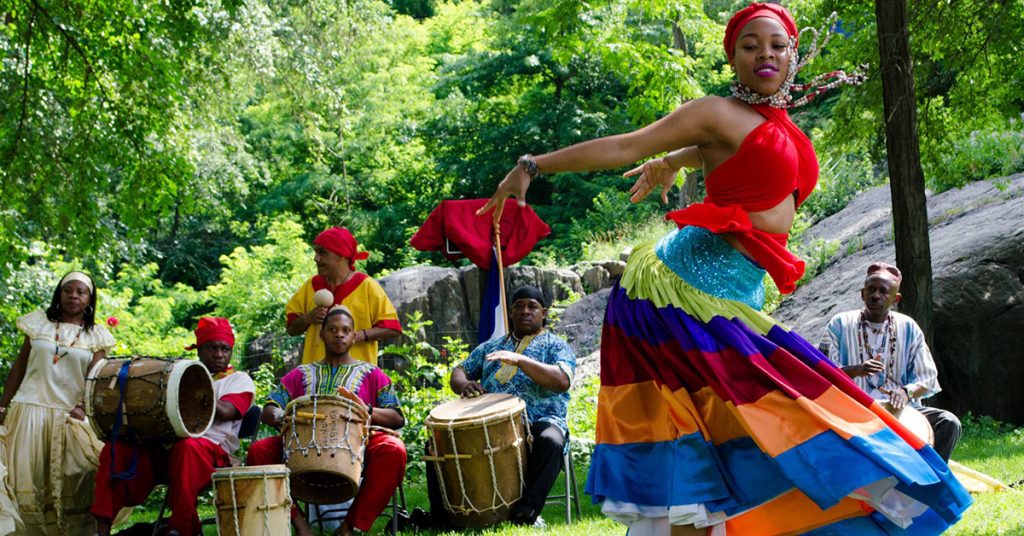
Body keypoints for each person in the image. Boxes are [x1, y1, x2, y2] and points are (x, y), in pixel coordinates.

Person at [477, 3, 971, 534]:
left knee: (739, 428)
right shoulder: (715, 111)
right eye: (751, 45)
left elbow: (726, 155)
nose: (766, 54)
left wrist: (677, 161)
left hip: (735, 295)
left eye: (777, 45)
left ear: (793, 52)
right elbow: (627, 145)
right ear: (732, 56)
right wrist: (533, 165)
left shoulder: (772, 123)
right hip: (677, 292)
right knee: (731, 423)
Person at [416, 285, 576, 528]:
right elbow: (458, 371)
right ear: (510, 312)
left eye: (532, 307)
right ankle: (443, 519)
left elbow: (562, 380)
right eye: (519, 306)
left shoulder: (556, 346)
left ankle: (526, 512)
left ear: (543, 313)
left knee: (552, 440)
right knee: (436, 444)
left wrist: (521, 361)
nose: (525, 311)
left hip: (539, 420)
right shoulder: (491, 347)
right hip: (488, 426)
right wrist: (465, 384)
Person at [247, 305, 406, 536]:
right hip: (301, 443)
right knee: (258, 452)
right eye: (332, 329)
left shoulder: (373, 374)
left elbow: (397, 417)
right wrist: (282, 416)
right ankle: (300, 524)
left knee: (394, 450)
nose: (339, 334)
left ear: (354, 336)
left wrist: (367, 409)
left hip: (359, 445)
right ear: (321, 335)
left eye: (345, 330)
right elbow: (270, 408)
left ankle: (350, 527)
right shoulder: (300, 373)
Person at [91, 317, 256, 536]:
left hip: (210, 454)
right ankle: (101, 529)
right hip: (165, 450)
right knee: (118, 449)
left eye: (225, 349)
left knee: (187, 447)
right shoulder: (179, 373)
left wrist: (191, 390)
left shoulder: (239, 380)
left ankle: (181, 529)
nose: (219, 354)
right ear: (199, 350)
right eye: (211, 348)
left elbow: (227, 411)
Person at [0, 271, 115, 535]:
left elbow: (93, 380)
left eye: (80, 292)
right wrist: (3, 406)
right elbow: (19, 368)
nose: (73, 296)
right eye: (68, 290)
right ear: (59, 294)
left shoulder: (96, 336)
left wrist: (83, 409)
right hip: (28, 411)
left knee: (72, 480)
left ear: (89, 299)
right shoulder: (38, 324)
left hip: (67, 417)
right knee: (25, 479)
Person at [823, 261, 962, 462]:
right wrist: (856, 370)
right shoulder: (840, 324)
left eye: (883, 291)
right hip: (854, 410)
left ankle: (930, 482)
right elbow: (821, 372)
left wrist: (906, 392)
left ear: (895, 298)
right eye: (871, 290)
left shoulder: (908, 327)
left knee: (948, 422)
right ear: (862, 294)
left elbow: (928, 377)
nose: (876, 295)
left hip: (902, 412)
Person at [286, 226, 402, 366]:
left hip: (357, 378)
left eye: (322, 253)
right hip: (315, 378)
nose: (316, 259)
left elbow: (392, 328)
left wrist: (357, 335)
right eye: (316, 252)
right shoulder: (311, 285)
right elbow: (291, 329)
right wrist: (308, 318)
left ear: (341, 255)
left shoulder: (367, 286)